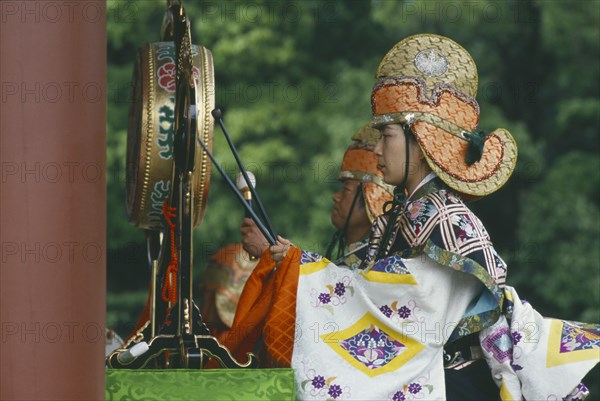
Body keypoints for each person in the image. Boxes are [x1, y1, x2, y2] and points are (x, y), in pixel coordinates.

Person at [222, 34, 599, 400]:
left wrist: (294, 263)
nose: (379, 149)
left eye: (387, 136)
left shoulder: (443, 214)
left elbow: (406, 306)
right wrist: (286, 258)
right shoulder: (401, 214)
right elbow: (359, 283)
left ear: (421, 141)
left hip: (457, 385)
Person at [201, 126, 393, 338]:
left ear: (372, 199)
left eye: (345, 190)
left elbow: (331, 303)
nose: (335, 197)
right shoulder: (350, 256)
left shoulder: (380, 261)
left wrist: (271, 253)